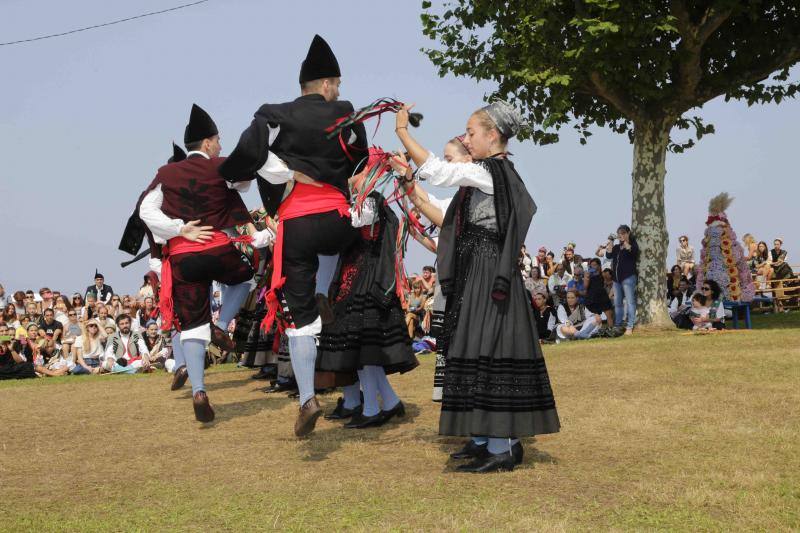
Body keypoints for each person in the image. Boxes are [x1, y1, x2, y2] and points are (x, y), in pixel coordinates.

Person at [393, 100, 559, 473]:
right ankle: (489, 440)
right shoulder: (492, 173)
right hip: (477, 269)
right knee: (473, 344)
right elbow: (440, 197)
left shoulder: (490, 170)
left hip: (486, 272)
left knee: (487, 345)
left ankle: (501, 446)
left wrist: (403, 132)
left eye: (471, 133)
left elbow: (436, 171)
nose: (467, 140)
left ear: (492, 135)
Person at [219, 35, 369, 437]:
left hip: (296, 223)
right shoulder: (345, 113)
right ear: (325, 84)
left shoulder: (275, 113)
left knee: (300, 323)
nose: (339, 91)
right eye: (336, 84)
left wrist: (282, 171)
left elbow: (252, 148)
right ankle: (325, 289)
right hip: (337, 219)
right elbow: (363, 158)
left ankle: (307, 398)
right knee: (338, 248)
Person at [139, 104, 271, 422]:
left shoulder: (166, 173)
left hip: (183, 258)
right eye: (219, 141)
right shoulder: (220, 166)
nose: (221, 146)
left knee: (192, 329)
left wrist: (178, 229)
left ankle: (199, 390)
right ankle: (222, 325)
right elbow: (242, 183)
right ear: (208, 142)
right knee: (245, 278)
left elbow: (145, 210)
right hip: (217, 249)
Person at [316, 191, 417, 429]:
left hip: (369, 279)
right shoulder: (358, 201)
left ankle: (372, 407)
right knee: (361, 349)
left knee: (364, 348)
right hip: (353, 277)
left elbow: (353, 221)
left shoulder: (371, 201)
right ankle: (387, 402)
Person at [605, 225, 639, 335]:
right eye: (619, 233)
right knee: (618, 303)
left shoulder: (633, 245)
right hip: (616, 279)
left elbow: (633, 252)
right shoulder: (616, 247)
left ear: (628, 233)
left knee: (630, 302)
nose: (621, 235)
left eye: (623, 233)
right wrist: (610, 241)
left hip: (628, 277)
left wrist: (625, 242)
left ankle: (630, 326)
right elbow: (609, 255)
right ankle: (618, 326)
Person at [584, 258, 615, 329]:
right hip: (592, 297)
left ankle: (611, 330)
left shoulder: (603, 274)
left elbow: (609, 282)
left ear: (599, 265)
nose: (593, 266)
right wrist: (587, 277)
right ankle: (596, 331)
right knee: (596, 317)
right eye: (591, 265)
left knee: (609, 314)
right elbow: (585, 286)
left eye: (594, 265)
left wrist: (606, 279)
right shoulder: (588, 274)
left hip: (602, 296)